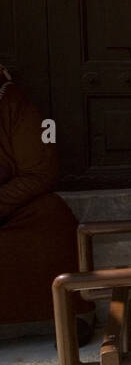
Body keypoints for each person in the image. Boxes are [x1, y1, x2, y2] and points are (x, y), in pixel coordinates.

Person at [0, 64, 90, 335]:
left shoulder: (11, 102)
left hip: (10, 207)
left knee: (52, 215)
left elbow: (41, 171)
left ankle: (68, 319)